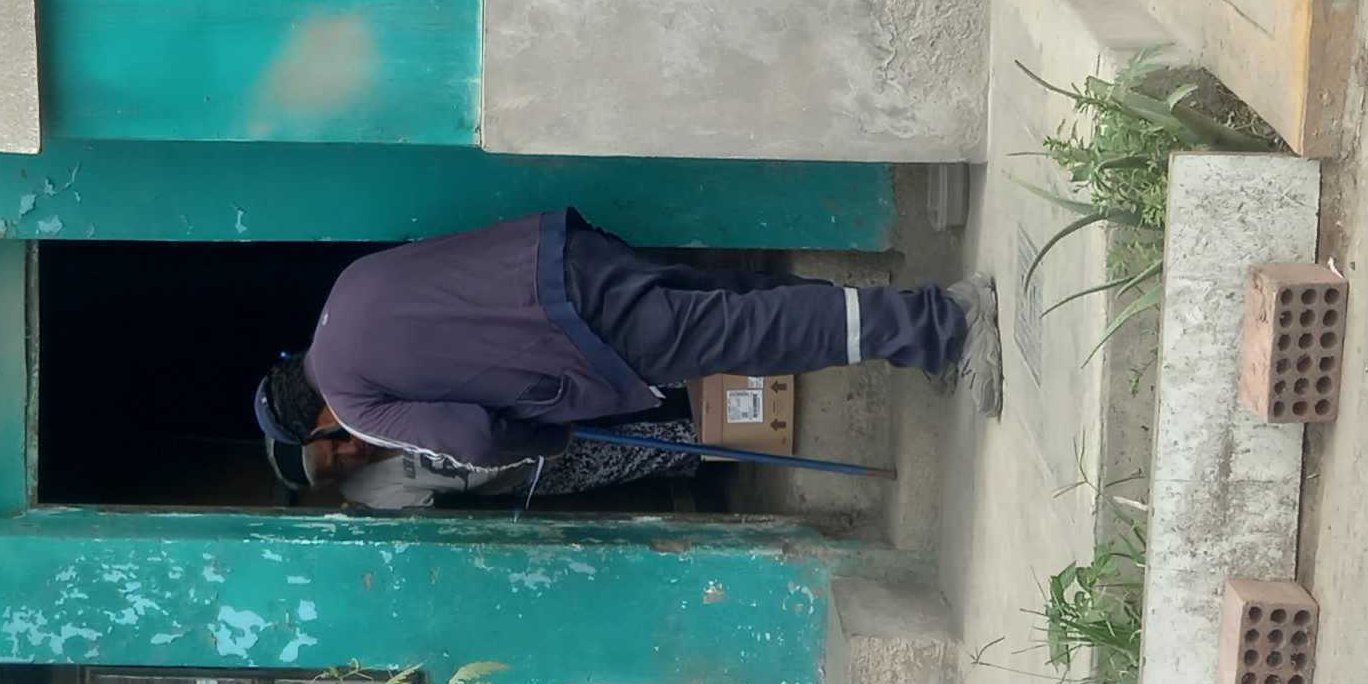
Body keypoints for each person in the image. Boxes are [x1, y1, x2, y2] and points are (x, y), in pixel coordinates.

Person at [251, 211, 991, 509]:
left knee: (751, 331)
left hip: (574, 337)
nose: (344, 449)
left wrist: (548, 439)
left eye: (329, 447)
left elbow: (472, 438)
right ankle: (915, 324)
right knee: (738, 305)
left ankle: (943, 322)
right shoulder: (346, 287)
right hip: (561, 258)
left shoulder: (353, 402)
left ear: (317, 425)